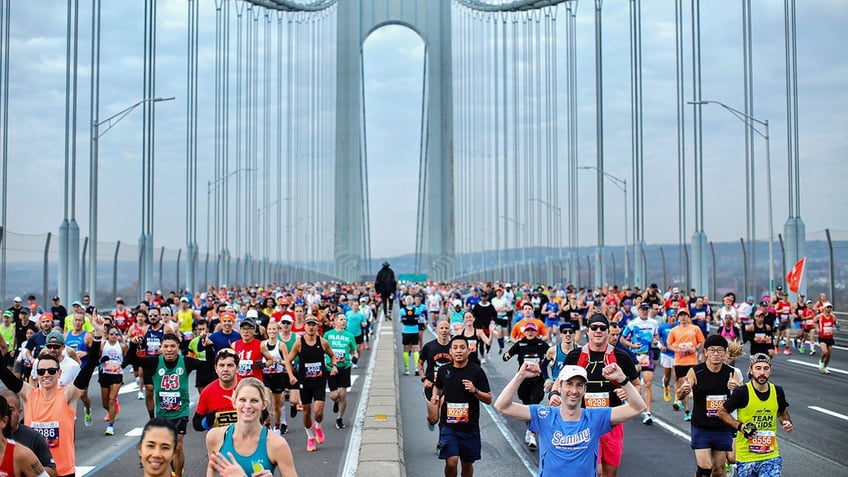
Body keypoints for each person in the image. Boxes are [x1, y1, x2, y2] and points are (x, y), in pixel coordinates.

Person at [495, 362, 646, 477]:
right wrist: (520, 376)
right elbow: (502, 405)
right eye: (569, 384)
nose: (574, 391)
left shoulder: (595, 417)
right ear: (559, 387)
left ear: (585, 390)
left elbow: (638, 408)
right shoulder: (544, 415)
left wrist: (623, 380)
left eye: (579, 385)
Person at [0, 313, 104, 477]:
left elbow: (90, 365)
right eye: (41, 371)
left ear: (59, 373)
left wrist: (97, 335)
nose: (46, 374)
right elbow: (5, 375)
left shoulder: (68, 395)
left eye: (51, 371)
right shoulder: (29, 395)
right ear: (37, 374)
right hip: (33, 471)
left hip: (63, 471)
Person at [559, 313, 640, 477]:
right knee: (596, 472)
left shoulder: (621, 357)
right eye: (594, 327)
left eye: (602, 328)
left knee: (610, 473)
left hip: (613, 422)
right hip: (584, 422)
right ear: (587, 331)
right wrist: (554, 393)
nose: (598, 331)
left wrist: (627, 391)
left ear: (607, 331)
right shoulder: (575, 356)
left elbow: (637, 385)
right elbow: (560, 382)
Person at [127, 332, 213, 477]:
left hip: (181, 411)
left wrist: (209, 348)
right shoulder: (154, 362)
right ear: (160, 348)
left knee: (178, 446)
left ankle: (178, 475)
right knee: (167, 446)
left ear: (178, 347)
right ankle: (171, 471)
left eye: (172, 346)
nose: (169, 350)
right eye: (166, 346)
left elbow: (209, 366)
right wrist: (133, 344)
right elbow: (131, 359)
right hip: (162, 413)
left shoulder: (186, 362)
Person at [718, 353, 793, 477]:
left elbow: (782, 413)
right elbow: (722, 412)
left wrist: (787, 422)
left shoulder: (777, 391)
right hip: (746, 457)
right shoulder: (742, 392)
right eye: (758, 368)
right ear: (751, 371)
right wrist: (740, 426)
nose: (762, 372)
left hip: (771, 455)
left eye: (765, 368)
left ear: (770, 371)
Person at [427, 335, 491, 477]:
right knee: (451, 461)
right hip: (448, 426)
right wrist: (435, 396)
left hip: (469, 427)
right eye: (455, 348)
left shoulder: (476, 371)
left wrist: (475, 391)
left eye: (462, 347)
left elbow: (488, 398)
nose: (459, 351)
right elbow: (437, 387)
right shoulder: (444, 370)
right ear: (450, 351)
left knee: (467, 464)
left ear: (468, 350)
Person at [206, 378, 297, 477]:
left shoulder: (277, 444)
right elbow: (211, 472)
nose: (248, 406)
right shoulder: (214, 437)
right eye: (242, 400)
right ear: (234, 402)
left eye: (254, 400)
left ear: (264, 405)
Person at [677, 335, 740, 477]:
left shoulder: (731, 373)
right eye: (712, 350)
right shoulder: (696, 371)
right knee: (705, 468)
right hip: (701, 426)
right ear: (706, 352)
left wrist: (737, 387)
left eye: (719, 350)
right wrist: (683, 391)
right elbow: (681, 395)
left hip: (722, 427)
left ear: (725, 353)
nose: (716, 354)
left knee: (718, 470)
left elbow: (741, 397)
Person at [283, 316, 338, 452]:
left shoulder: (323, 342)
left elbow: (332, 355)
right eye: (309, 325)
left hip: (319, 381)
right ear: (305, 327)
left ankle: (317, 426)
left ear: (317, 327)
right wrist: (290, 376)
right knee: (307, 412)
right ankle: (310, 437)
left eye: (314, 325)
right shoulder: (299, 343)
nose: (311, 327)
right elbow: (288, 360)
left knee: (318, 411)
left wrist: (334, 366)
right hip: (304, 382)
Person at [502, 322, 549, 449]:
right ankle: (529, 428)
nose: (530, 333)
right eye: (528, 330)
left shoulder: (541, 344)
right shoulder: (520, 344)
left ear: (536, 332)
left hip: (537, 381)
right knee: (527, 406)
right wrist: (506, 355)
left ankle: (533, 435)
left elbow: (551, 354)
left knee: (534, 405)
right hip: (523, 381)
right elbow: (507, 355)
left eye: (532, 331)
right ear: (525, 332)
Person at [0, 391, 57, 477]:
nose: (8, 414)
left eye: (10, 410)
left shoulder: (23, 452)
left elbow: (52, 472)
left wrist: (25, 468)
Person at [620, 302, 659, 425]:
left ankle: (648, 412)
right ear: (638, 310)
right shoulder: (633, 323)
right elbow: (622, 339)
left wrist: (655, 339)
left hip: (647, 355)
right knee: (632, 382)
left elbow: (655, 335)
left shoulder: (654, 323)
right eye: (642, 309)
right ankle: (629, 400)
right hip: (635, 356)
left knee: (648, 383)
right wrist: (632, 345)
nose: (644, 311)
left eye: (646, 309)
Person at [667, 309, 706, 421]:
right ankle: (687, 411)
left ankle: (697, 410)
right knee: (684, 387)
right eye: (681, 315)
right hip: (680, 361)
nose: (683, 317)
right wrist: (677, 349)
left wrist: (694, 348)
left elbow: (701, 341)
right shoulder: (674, 330)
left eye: (685, 315)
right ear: (678, 317)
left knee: (695, 386)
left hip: (692, 361)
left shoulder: (695, 329)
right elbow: (669, 344)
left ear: (688, 317)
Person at [322, 313, 357, 429]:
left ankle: (339, 418)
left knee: (342, 394)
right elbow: (322, 348)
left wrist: (355, 357)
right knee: (334, 396)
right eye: (341, 319)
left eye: (345, 320)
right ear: (335, 322)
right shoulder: (328, 335)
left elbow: (354, 350)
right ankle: (335, 402)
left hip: (345, 366)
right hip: (330, 367)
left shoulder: (349, 335)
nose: (344, 321)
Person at [193, 348, 240, 432]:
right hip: (219, 442)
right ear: (216, 368)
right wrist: (207, 421)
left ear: (237, 368)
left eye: (230, 365)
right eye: (221, 365)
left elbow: (263, 415)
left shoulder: (247, 388)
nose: (225, 369)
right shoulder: (207, 391)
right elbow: (196, 424)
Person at [419, 320, 452, 431]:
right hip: (431, 385)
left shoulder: (454, 347)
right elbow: (420, 362)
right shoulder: (429, 346)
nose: (444, 330)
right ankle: (430, 420)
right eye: (441, 328)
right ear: (437, 330)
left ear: (450, 330)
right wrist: (424, 379)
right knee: (434, 419)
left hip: (447, 386)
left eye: (446, 328)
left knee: (445, 417)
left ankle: (441, 442)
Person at [259, 321, 288, 434]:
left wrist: (278, 361)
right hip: (265, 377)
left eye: (274, 329)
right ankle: (267, 427)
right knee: (265, 403)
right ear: (267, 330)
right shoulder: (262, 344)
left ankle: (276, 427)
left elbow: (288, 362)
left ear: (278, 331)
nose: (271, 331)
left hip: (278, 376)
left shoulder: (281, 345)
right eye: (270, 329)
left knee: (277, 405)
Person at [98, 325, 128, 436]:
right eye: (111, 334)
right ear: (107, 335)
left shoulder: (122, 346)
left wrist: (122, 365)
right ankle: (112, 411)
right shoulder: (103, 346)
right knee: (105, 403)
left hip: (116, 375)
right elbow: (97, 358)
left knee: (111, 399)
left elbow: (126, 358)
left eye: (116, 334)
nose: (114, 336)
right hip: (105, 374)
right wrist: (102, 360)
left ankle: (110, 426)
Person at [399, 296, 422, 376]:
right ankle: (416, 368)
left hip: (406, 331)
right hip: (414, 331)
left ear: (405, 302)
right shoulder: (417, 310)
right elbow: (420, 319)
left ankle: (407, 369)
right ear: (413, 302)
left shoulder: (402, 310)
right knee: (416, 349)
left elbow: (400, 320)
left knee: (406, 350)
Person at [815, 302, 839, 375]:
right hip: (822, 337)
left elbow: (836, 323)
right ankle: (821, 361)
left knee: (829, 354)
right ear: (824, 309)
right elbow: (814, 322)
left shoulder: (833, 317)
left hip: (830, 337)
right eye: (827, 307)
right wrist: (817, 328)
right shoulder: (820, 316)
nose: (829, 309)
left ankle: (825, 367)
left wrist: (837, 326)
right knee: (825, 352)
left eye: (830, 307)